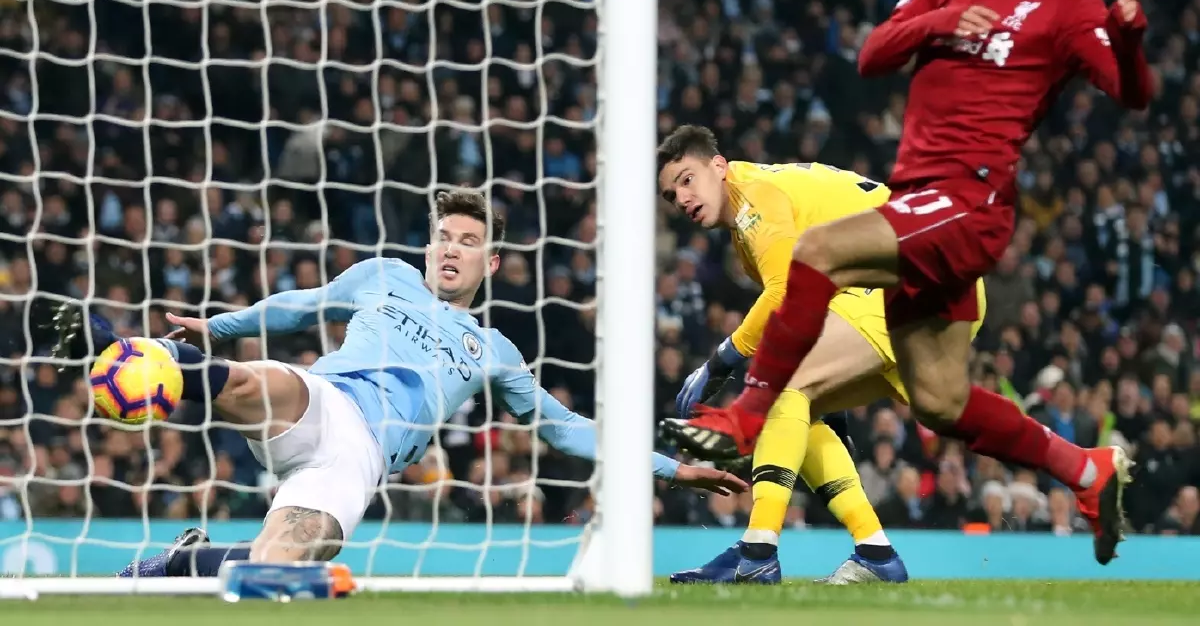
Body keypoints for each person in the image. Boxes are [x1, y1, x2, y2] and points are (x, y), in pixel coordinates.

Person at [661, 0, 1151, 567]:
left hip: (969, 200)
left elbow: (1132, 94)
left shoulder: (1069, 0)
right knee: (942, 404)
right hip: (920, 212)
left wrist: (1133, 41)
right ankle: (1086, 469)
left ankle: (744, 432)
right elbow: (875, 52)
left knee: (815, 261)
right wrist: (941, 24)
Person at [52, 190, 745, 577]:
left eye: (468, 241)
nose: (451, 248)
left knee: (281, 563)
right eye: (443, 235)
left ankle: (183, 563)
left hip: (360, 459)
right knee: (259, 383)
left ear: (491, 262)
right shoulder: (384, 276)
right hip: (323, 401)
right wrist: (220, 327)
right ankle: (121, 351)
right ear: (427, 245)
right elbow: (302, 305)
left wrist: (670, 469)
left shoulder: (494, 350)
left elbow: (565, 429)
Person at [660, 125, 984, 585]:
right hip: (926, 276)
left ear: (719, 166)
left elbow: (785, 293)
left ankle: (755, 553)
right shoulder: (757, 211)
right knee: (798, 405)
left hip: (917, 272)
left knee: (780, 386)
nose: (682, 198)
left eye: (687, 179)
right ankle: (875, 552)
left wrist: (721, 359)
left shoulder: (754, 199)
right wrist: (834, 403)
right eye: (672, 195)